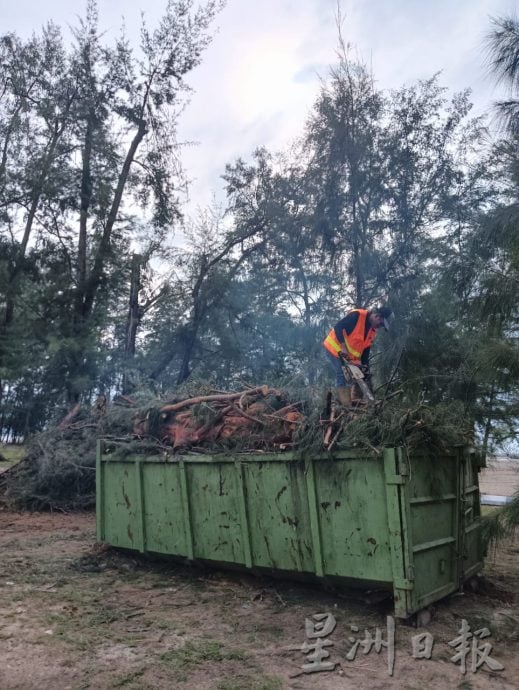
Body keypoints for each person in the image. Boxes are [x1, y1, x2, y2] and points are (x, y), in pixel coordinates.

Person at [322, 306, 392, 407]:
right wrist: (342, 346)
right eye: (380, 324)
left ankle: (356, 401)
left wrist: (365, 367)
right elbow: (338, 327)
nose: (379, 327)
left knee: (361, 375)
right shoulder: (357, 316)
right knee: (341, 373)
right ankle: (346, 406)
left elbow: (365, 350)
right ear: (377, 317)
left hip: (348, 357)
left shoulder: (372, 331)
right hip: (333, 348)